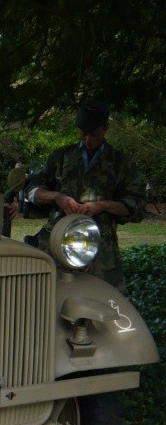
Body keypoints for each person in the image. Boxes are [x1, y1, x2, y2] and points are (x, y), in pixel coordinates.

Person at [24, 101, 146, 289]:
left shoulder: (121, 163)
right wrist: (57, 197)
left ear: (105, 129)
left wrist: (102, 206)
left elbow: (136, 206)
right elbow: (32, 191)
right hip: (55, 244)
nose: (87, 140)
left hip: (99, 252)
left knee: (103, 303)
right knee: (46, 300)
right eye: (83, 133)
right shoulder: (61, 157)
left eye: (94, 134)